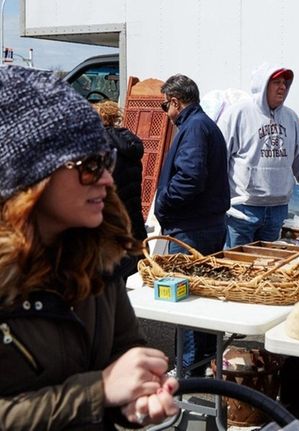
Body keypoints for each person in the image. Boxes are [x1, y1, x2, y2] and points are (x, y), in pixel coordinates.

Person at [0, 66, 178, 429]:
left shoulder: (97, 253)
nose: (108, 178)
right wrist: (98, 391)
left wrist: (136, 397)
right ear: (31, 175)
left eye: (107, 160)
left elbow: (124, 349)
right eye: (91, 165)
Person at [156, 74, 230, 376]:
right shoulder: (200, 125)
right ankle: (200, 367)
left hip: (191, 228)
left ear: (175, 102)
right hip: (203, 224)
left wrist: (163, 203)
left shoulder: (195, 127)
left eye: (165, 106)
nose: (166, 113)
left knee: (186, 300)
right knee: (201, 298)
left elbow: (189, 179)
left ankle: (189, 372)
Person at [218, 63, 299, 247]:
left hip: (278, 209)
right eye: (276, 82)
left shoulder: (291, 118)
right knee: (236, 265)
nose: (282, 87)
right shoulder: (238, 113)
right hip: (243, 208)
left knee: (268, 266)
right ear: (263, 85)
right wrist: (220, 199)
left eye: (285, 83)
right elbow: (218, 158)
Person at [93, 100, 147, 281]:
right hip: (133, 216)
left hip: (112, 222)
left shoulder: (102, 147)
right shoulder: (130, 142)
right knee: (130, 271)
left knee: (112, 277)